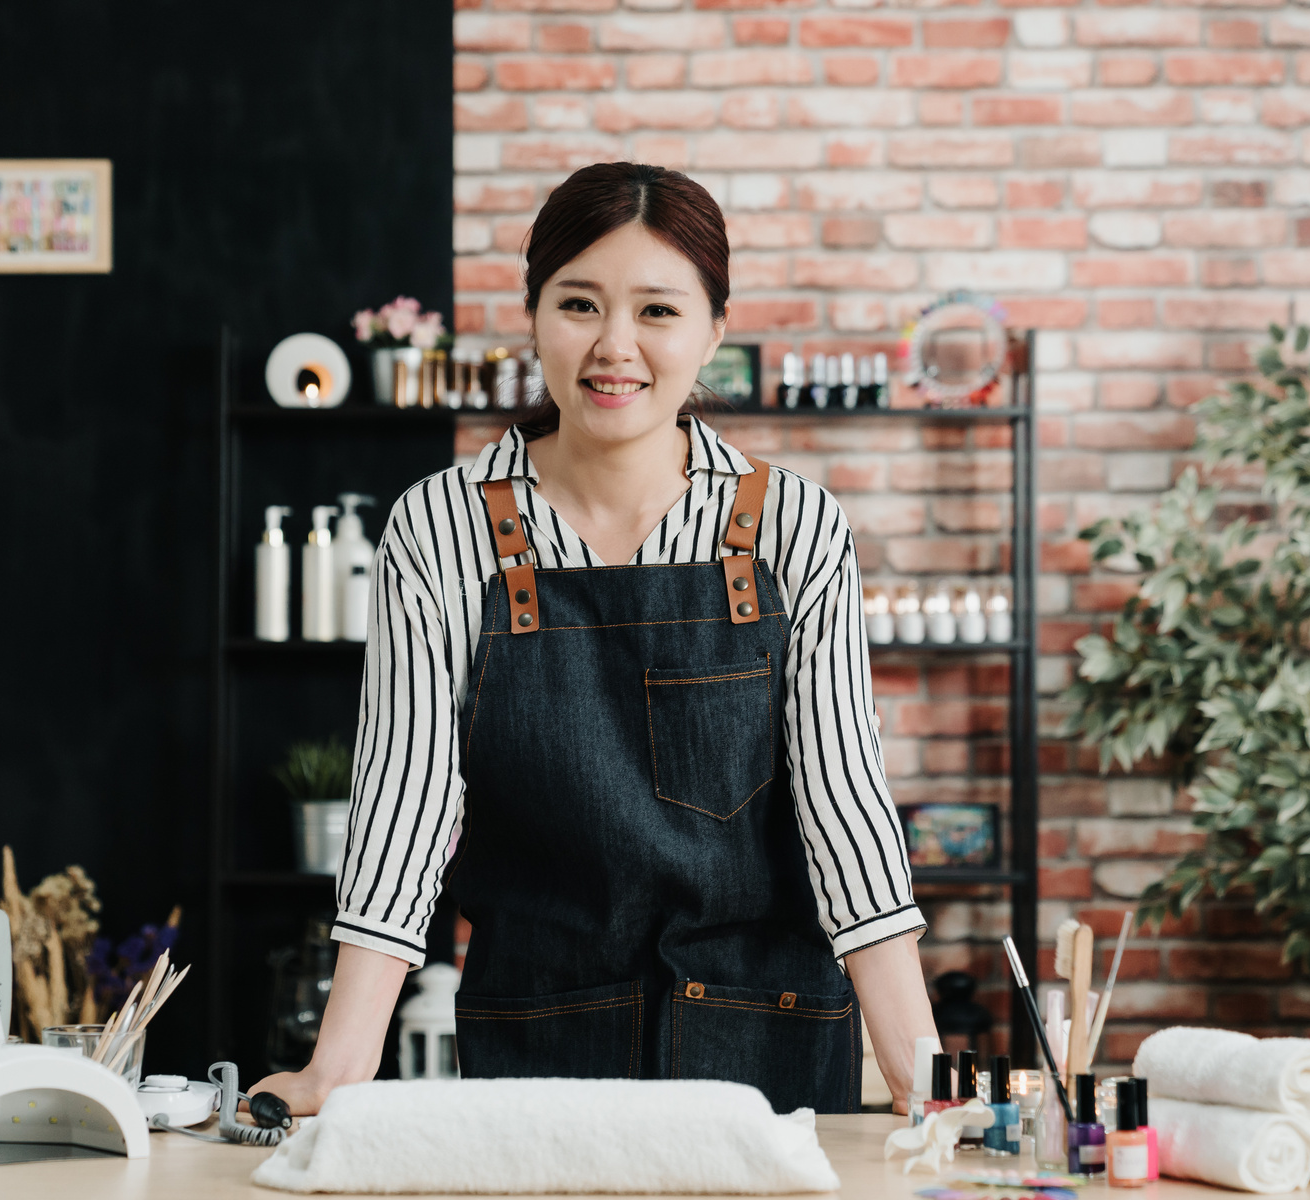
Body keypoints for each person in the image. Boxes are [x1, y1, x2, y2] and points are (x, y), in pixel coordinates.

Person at [252, 162, 937, 1116]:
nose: (615, 346)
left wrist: (920, 1073)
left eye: (658, 311)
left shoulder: (794, 525)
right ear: (534, 315)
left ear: (713, 334)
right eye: (580, 304)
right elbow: (405, 802)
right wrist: (339, 1064)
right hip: (542, 1040)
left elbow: (844, 801)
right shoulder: (439, 526)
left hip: (767, 1038)